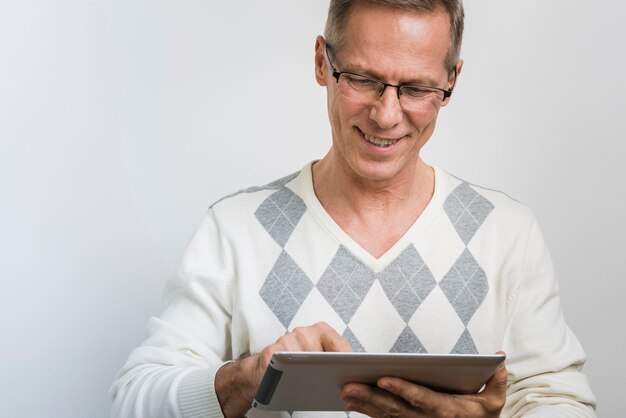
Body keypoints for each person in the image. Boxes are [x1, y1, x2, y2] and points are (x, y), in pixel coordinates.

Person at [110, 0, 597, 417]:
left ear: (452, 81)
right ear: (322, 62)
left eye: (416, 89)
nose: (387, 115)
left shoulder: (506, 233)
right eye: (363, 79)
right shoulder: (235, 231)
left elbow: (562, 400)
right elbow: (133, 400)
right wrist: (248, 376)